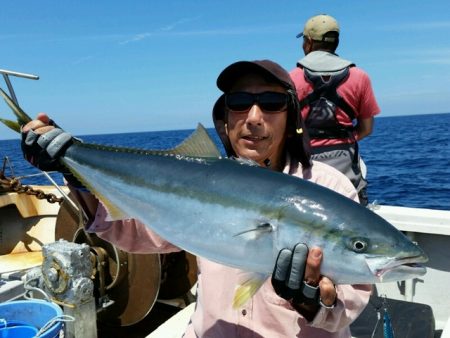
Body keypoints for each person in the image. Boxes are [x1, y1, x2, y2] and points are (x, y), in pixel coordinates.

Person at [21, 60, 371, 337]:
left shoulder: (329, 188)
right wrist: (72, 167)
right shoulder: (198, 179)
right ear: (224, 120)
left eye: (271, 103)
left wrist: (315, 305)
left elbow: (354, 293)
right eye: (239, 103)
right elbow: (131, 232)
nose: (253, 118)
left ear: (291, 115)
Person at [290, 14, 381, 205]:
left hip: (305, 166)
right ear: (336, 42)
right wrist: (343, 139)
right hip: (346, 166)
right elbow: (367, 128)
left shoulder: (291, 78)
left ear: (308, 42)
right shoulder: (360, 77)